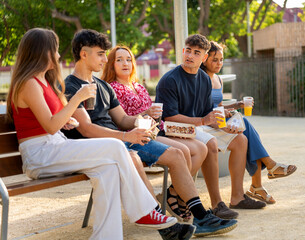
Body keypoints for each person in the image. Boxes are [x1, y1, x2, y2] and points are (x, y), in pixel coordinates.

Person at [63, 29, 237, 238]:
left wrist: (143, 119)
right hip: (103, 145)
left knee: (177, 154)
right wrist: (127, 136)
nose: (104, 59)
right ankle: (166, 225)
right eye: (101, 53)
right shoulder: (71, 85)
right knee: (139, 157)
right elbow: (86, 129)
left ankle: (200, 217)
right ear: (84, 54)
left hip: (122, 139)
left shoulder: (102, 86)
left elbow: (122, 120)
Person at [6, 28, 177, 240]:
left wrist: (66, 121)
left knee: (108, 170)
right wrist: (76, 99)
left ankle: (106, 237)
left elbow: (52, 122)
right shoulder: (29, 83)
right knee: (115, 147)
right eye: (55, 49)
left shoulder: (42, 80)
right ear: (43, 52)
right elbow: (50, 126)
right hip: (41, 154)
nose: (59, 55)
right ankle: (144, 211)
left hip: (54, 146)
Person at [156, 34, 267, 220]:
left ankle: (237, 197)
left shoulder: (204, 79)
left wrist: (225, 126)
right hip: (175, 129)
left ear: (204, 57)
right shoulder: (170, 80)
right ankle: (217, 204)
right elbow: (169, 117)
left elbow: (208, 113)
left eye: (196, 52)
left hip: (199, 126)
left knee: (240, 140)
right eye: (188, 51)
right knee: (211, 144)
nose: (190, 56)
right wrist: (203, 121)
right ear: (183, 51)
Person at [101, 45, 208, 221]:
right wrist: (146, 115)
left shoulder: (138, 86)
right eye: (119, 60)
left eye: (128, 59)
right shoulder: (112, 88)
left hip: (158, 130)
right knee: (184, 151)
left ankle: (174, 193)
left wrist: (166, 125)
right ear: (111, 64)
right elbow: (122, 120)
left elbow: (154, 114)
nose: (125, 63)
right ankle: (178, 200)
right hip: (136, 135)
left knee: (201, 148)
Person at [200, 41, 297, 204]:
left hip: (220, 119)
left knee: (247, 132)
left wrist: (237, 105)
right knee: (246, 127)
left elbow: (219, 106)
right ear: (205, 59)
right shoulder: (201, 79)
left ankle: (259, 183)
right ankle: (264, 176)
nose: (219, 64)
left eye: (221, 59)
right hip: (207, 124)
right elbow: (203, 108)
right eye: (214, 59)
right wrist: (224, 114)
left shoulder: (218, 79)